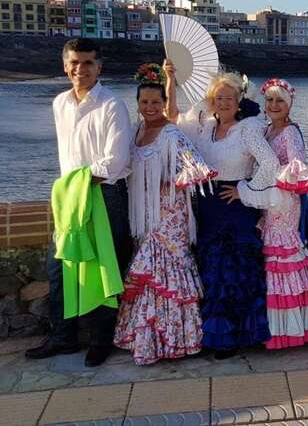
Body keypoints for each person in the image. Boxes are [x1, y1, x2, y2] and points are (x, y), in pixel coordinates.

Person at [164, 61, 282, 359]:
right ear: (211, 101)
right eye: (219, 98)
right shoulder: (205, 128)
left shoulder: (248, 129)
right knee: (212, 270)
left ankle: (233, 337)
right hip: (209, 207)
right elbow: (172, 119)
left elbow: (270, 164)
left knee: (233, 272)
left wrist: (246, 190)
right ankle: (216, 334)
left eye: (230, 98)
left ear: (239, 101)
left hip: (235, 207)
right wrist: (170, 79)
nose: (224, 103)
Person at [26, 38, 132, 367]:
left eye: (87, 63)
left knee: (104, 268)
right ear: (65, 66)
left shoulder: (112, 105)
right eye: (74, 62)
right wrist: (70, 190)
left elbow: (115, 161)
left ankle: (101, 340)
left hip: (104, 195)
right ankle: (63, 336)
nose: (80, 69)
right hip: (72, 199)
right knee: (61, 267)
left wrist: (74, 185)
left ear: (99, 67)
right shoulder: (60, 103)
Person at [113, 72, 215, 365]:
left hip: (170, 213)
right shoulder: (135, 132)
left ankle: (176, 339)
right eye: (144, 102)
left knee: (165, 269)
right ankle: (147, 338)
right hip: (144, 213)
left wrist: (168, 181)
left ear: (164, 102)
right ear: (137, 103)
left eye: (156, 102)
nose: (150, 107)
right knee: (148, 271)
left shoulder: (172, 133)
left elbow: (197, 168)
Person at [259, 78, 308, 349]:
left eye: (280, 100)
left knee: (281, 256)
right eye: (270, 100)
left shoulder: (290, 132)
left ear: (289, 104)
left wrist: (270, 177)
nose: (274, 105)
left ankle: (288, 331)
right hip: (268, 201)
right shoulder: (266, 129)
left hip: (284, 202)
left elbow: (298, 167)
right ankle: (275, 327)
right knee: (272, 257)